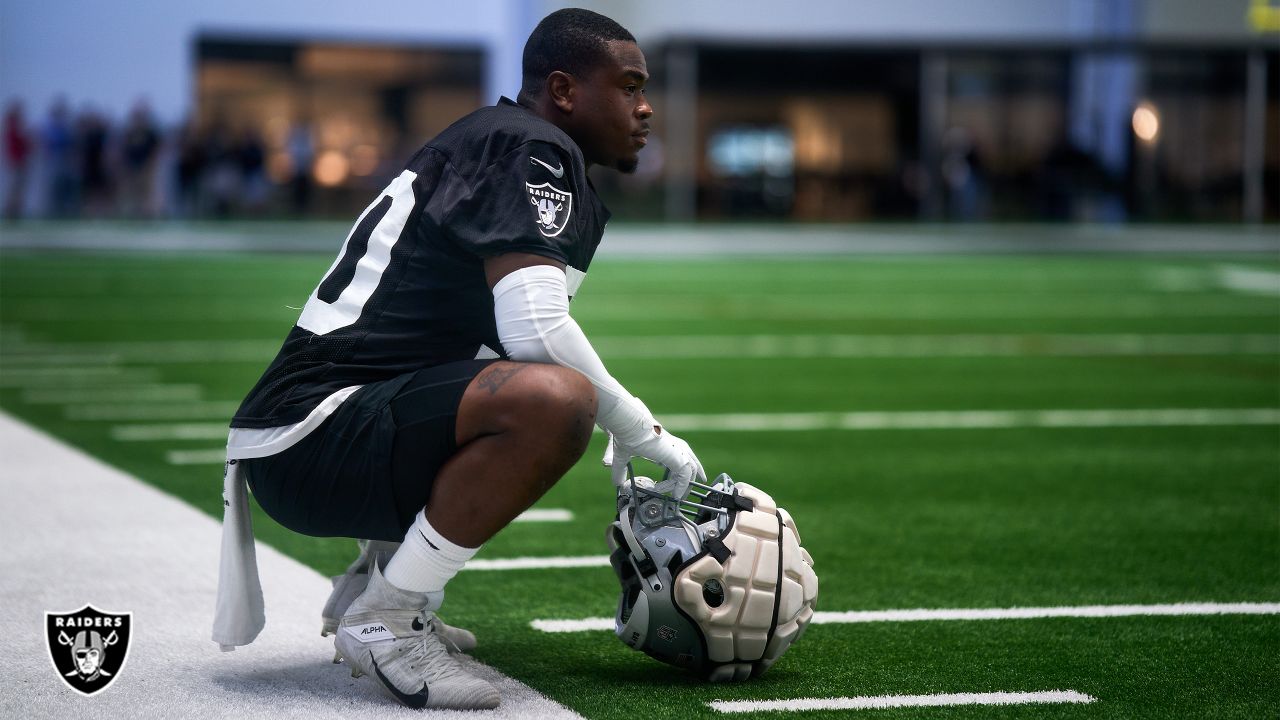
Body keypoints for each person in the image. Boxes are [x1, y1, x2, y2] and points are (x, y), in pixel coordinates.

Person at [214, 8, 705, 711]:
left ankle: (375, 586)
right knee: (553, 401)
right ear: (563, 90)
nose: (646, 106)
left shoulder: (513, 144)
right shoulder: (531, 147)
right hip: (313, 434)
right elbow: (535, 329)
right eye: (628, 86)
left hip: (311, 436)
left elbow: (482, 349)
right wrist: (640, 431)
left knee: (513, 388)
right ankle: (386, 617)